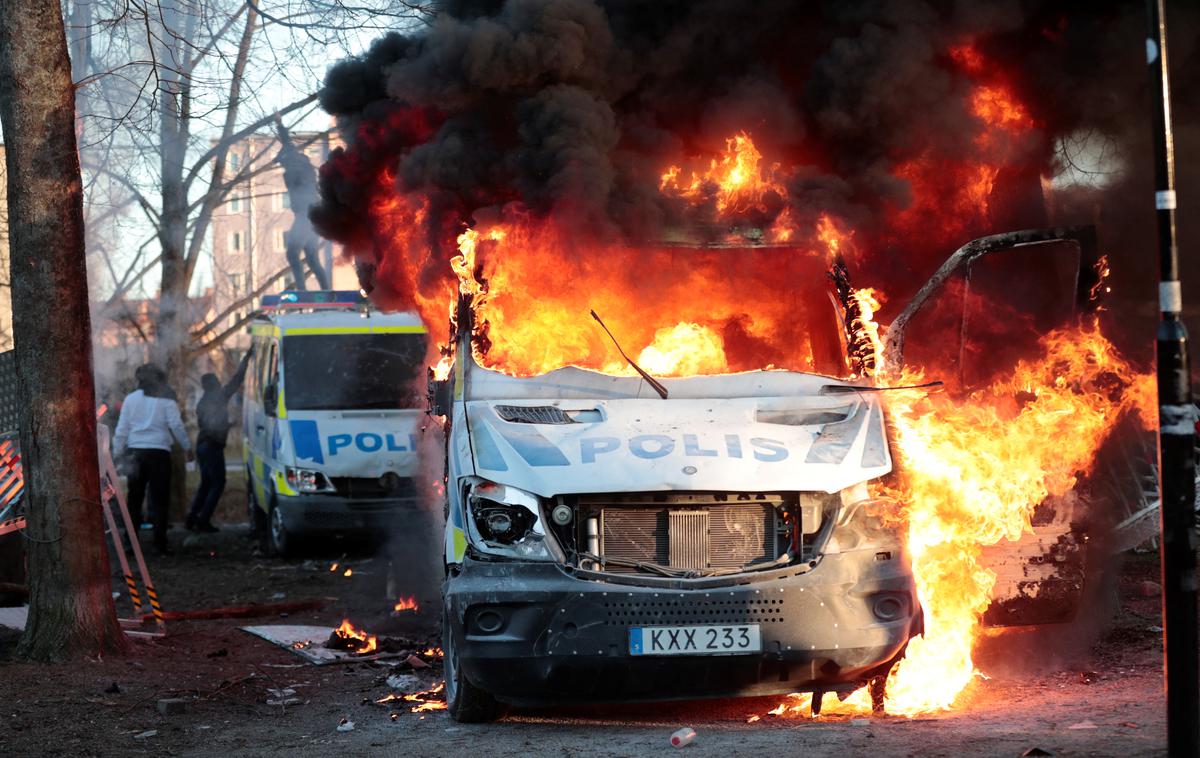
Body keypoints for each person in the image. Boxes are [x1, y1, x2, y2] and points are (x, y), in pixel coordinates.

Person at [113, 364, 193, 556]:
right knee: (160, 500)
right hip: (159, 453)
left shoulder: (131, 399)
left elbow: (122, 428)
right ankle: (159, 543)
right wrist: (188, 447)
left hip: (135, 453)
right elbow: (176, 425)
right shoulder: (167, 400)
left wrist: (116, 453)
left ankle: (130, 543)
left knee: (134, 499)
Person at [186, 349, 253, 532]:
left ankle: (192, 518)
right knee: (218, 483)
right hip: (212, 447)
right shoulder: (219, 397)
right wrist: (246, 357)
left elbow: (210, 425)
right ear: (214, 385)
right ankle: (203, 520)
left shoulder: (203, 403)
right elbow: (237, 379)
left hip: (202, 445)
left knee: (206, 483)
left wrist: (228, 424)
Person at [275, 117, 330, 290]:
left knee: (292, 254)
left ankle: (301, 290)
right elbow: (287, 147)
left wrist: (279, 124)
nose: (282, 166)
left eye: (283, 162)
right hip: (311, 218)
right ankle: (326, 291)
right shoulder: (300, 167)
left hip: (305, 216)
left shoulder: (298, 165)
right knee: (312, 256)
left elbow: (287, 143)